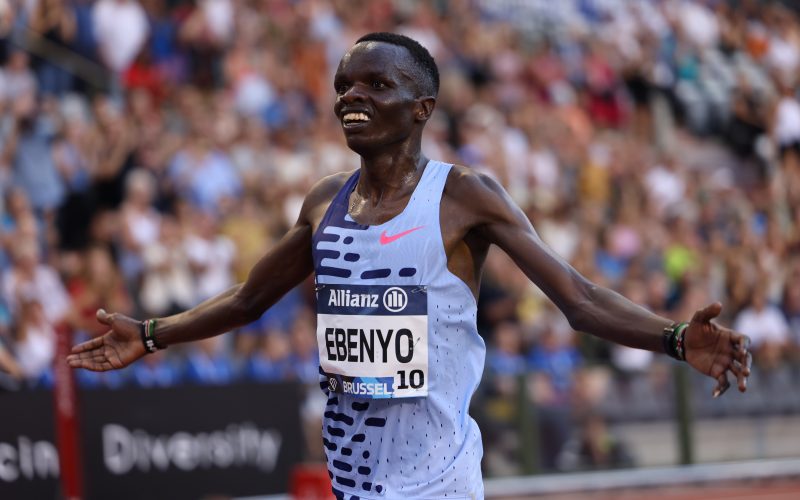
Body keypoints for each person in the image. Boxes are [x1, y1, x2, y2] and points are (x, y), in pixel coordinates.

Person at [68, 32, 752, 499]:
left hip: (439, 485)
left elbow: (577, 297)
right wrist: (153, 334)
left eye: (374, 84)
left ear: (421, 108)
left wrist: (671, 337)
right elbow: (248, 301)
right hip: (353, 482)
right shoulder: (322, 204)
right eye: (343, 86)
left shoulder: (462, 197)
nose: (351, 97)